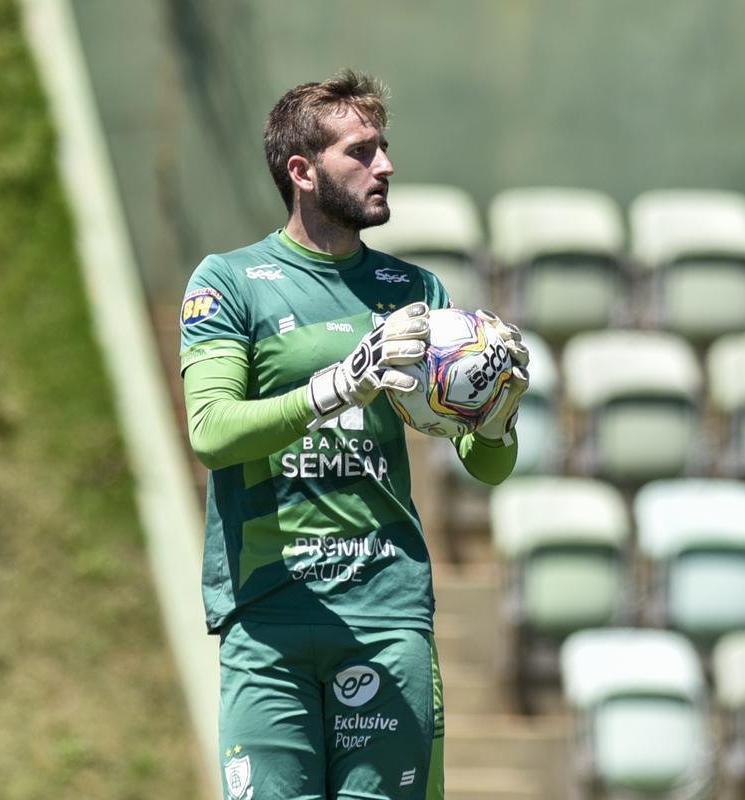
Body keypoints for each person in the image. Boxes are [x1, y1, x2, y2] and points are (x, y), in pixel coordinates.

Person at [179, 69, 529, 800]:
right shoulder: (230, 282)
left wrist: (495, 421)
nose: (386, 166)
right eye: (361, 152)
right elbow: (211, 433)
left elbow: (486, 467)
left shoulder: (416, 293)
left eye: (384, 148)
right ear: (302, 172)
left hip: (386, 612)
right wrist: (341, 382)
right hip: (269, 614)